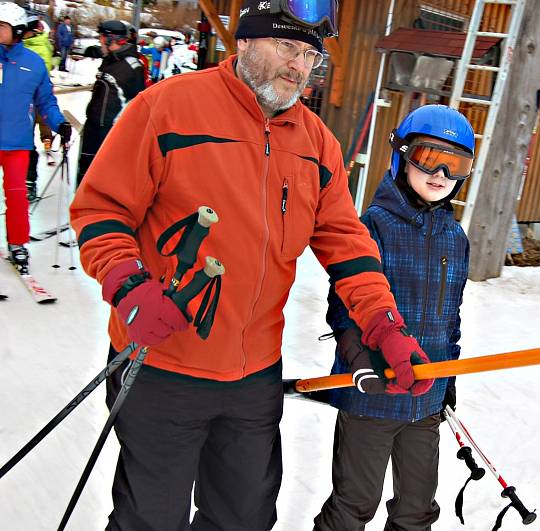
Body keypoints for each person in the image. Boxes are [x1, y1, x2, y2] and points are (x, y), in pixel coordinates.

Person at [69, 1, 434, 529]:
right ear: (244, 42)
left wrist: (384, 324)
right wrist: (128, 285)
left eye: (310, 55)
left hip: (252, 378)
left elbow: (348, 245)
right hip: (160, 366)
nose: (300, 66)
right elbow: (101, 209)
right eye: (286, 46)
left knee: (242, 519)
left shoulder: (317, 145)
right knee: (152, 520)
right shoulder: (166, 109)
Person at [313, 104, 473, 531]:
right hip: (373, 391)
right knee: (354, 503)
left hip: (427, 393)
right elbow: (344, 306)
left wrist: (448, 378)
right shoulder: (372, 226)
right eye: (427, 157)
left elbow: (450, 317)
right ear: (403, 156)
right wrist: (357, 358)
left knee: (417, 509)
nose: (439, 173)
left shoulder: (456, 238)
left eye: (454, 164)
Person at [0, 2, 71, 273]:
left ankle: (17, 244)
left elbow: (46, 102)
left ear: (17, 30)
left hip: (17, 145)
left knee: (17, 197)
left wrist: (59, 125)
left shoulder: (34, 64)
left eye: (2, 27)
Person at [76, 20, 146, 187]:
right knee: (85, 175)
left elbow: (138, 105)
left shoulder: (132, 66)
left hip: (111, 133)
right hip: (93, 127)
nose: (99, 40)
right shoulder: (110, 60)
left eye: (102, 37)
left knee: (104, 181)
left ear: (111, 39)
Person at [23, 11, 57, 199]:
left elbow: (39, 77)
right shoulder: (22, 45)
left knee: (28, 139)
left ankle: (30, 181)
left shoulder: (38, 48)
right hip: (19, 101)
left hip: (34, 100)